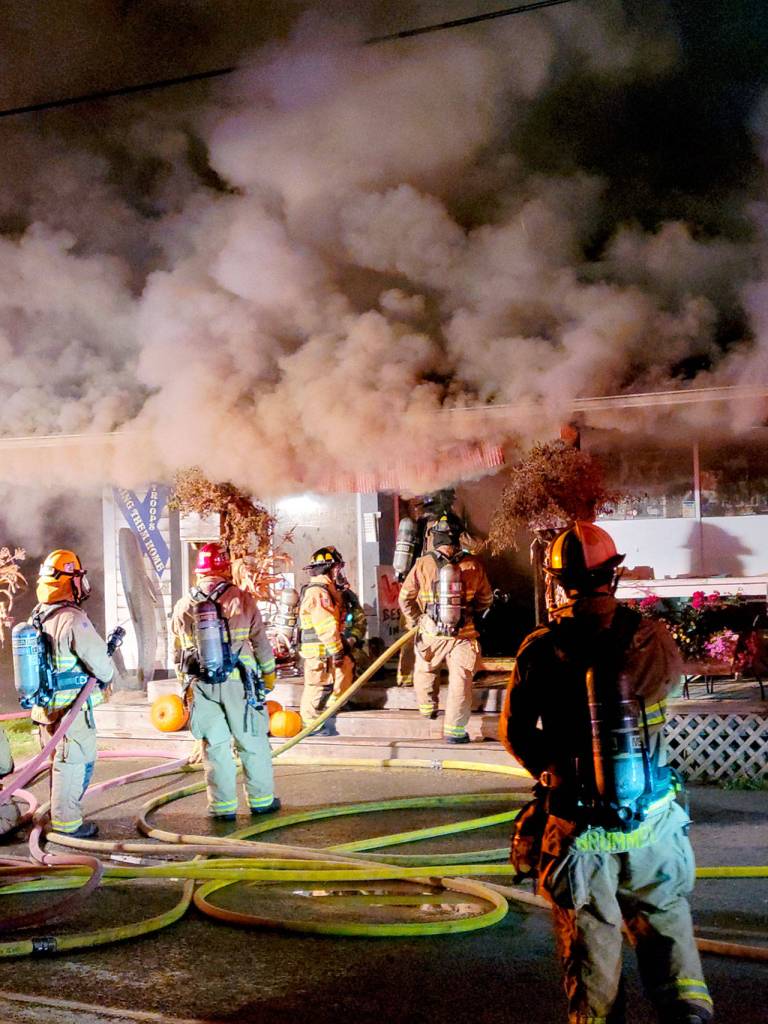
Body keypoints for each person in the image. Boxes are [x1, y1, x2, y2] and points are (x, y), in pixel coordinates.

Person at [500, 522, 712, 1024]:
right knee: (667, 928)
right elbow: (668, 691)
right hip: (654, 824)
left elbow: (515, 733)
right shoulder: (652, 637)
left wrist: (556, 770)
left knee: (592, 953)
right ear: (611, 576)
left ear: (559, 581)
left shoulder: (540, 648)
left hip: (579, 830)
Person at [171, 542, 279, 820]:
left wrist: (185, 688)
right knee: (251, 741)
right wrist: (268, 678)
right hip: (239, 685)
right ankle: (262, 802)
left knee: (215, 746)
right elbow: (262, 646)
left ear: (198, 572)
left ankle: (222, 809)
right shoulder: (242, 600)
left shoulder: (183, 605)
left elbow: (178, 653)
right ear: (224, 568)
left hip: (202, 686)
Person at [31, 550, 116, 839]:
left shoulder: (40, 615)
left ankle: (61, 814)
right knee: (73, 764)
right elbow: (102, 667)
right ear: (70, 581)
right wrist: (108, 675)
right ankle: (68, 826)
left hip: (45, 710)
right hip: (71, 711)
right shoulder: (71, 619)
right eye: (78, 577)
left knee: (61, 762)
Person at [398, 514, 493, 742]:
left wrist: (417, 619)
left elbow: (405, 598)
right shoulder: (473, 565)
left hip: (431, 633)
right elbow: (486, 599)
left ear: (435, 538)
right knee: (461, 681)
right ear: (458, 538)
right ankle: (454, 732)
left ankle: (427, 707)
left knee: (425, 668)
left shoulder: (422, 564)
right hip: (464, 634)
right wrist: (471, 614)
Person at [298, 546, 354, 732]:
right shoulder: (318, 593)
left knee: (345, 670)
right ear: (329, 569)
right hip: (320, 653)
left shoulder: (327, 590)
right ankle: (311, 727)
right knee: (317, 688)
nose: (339, 572)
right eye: (337, 568)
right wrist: (337, 650)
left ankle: (331, 711)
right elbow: (325, 626)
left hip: (327, 650)